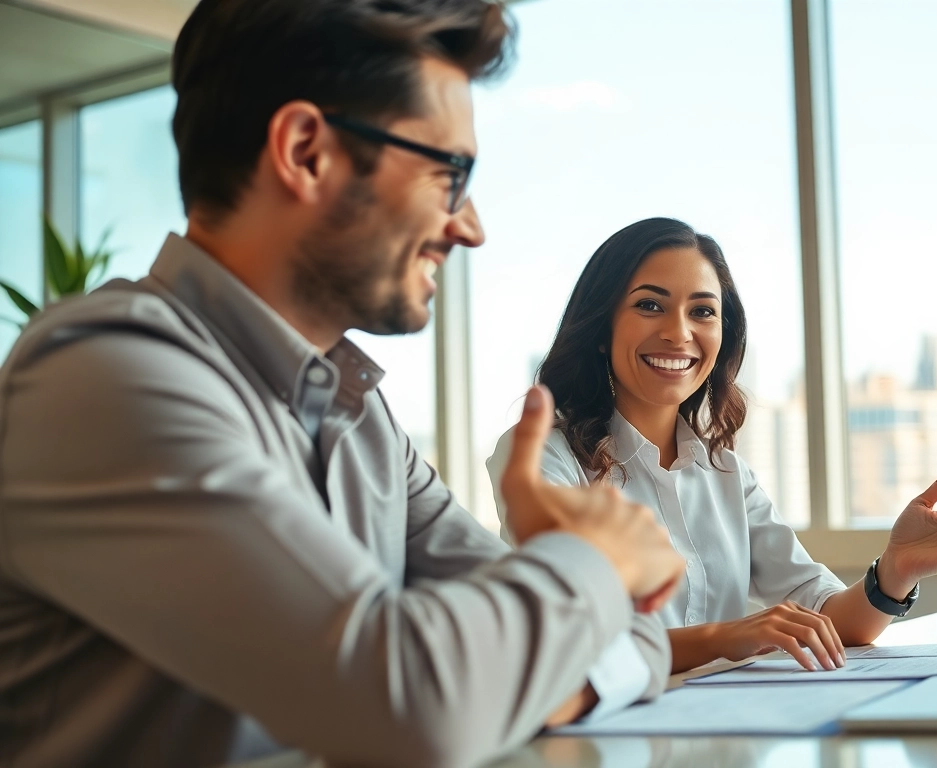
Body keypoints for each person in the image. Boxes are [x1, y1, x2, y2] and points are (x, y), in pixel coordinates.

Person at [0, 2, 686, 767]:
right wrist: (589, 557)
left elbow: (638, 634)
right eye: (449, 173)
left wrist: (521, 668)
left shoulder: (362, 420)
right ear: (305, 152)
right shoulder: (104, 380)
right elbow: (413, 707)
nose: (472, 227)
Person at [489, 217, 937, 674]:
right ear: (602, 327)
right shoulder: (542, 458)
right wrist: (725, 638)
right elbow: (574, 642)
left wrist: (895, 571)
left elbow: (829, 621)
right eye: (650, 305)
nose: (679, 333)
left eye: (703, 311)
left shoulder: (725, 473)